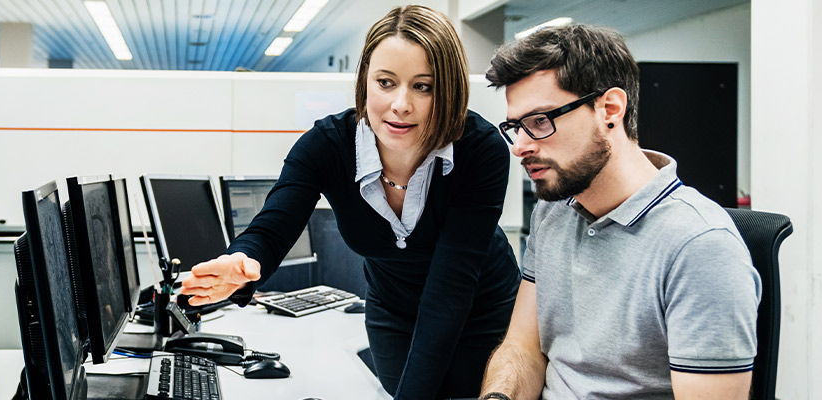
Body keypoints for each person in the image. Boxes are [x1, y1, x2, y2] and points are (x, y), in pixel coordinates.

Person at [180, 5, 519, 399]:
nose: (401, 104)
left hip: (481, 307)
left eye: (423, 86)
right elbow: (275, 222)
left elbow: (451, 285)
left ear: (449, 89)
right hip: (392, 309)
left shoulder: (479, 149)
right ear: (365, 82)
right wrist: (242, 259)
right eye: (386, 82)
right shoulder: (328, 145)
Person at [476, 24, 760, 400]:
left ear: (610, 109)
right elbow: (523, 349)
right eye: (516, 127)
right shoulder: (553, 213)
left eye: (540, 121)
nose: (521, 146)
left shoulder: (700, 245)